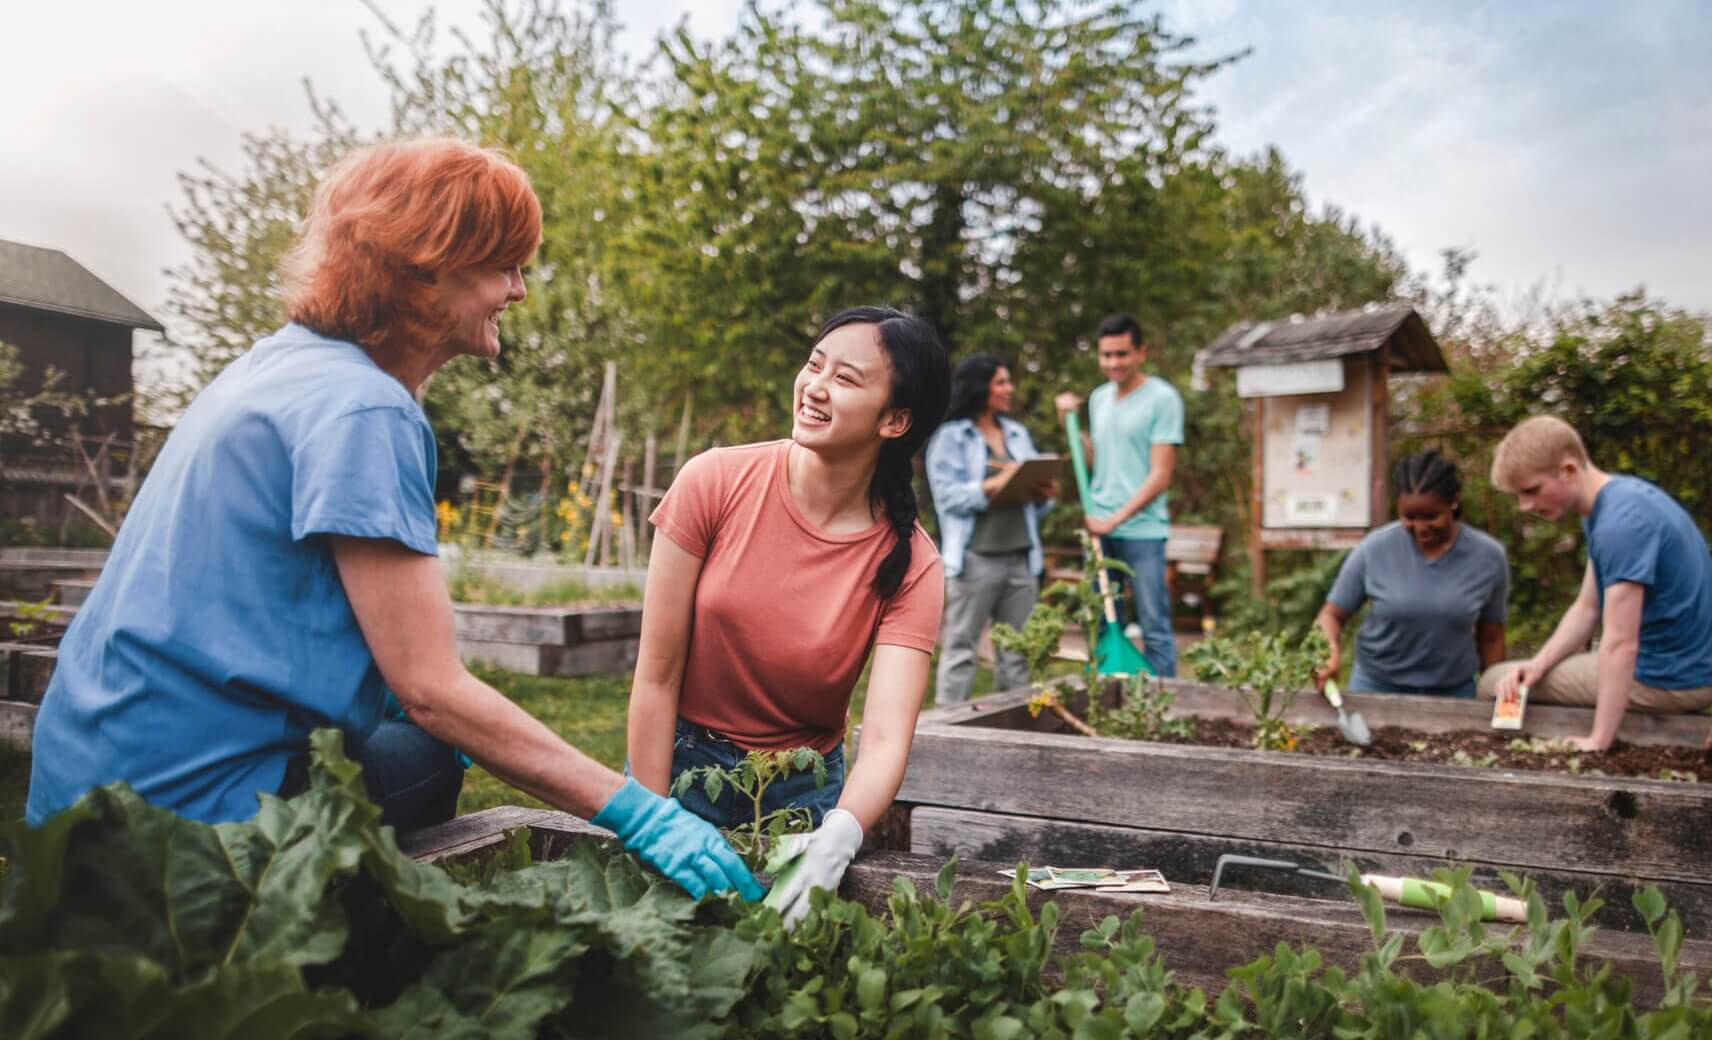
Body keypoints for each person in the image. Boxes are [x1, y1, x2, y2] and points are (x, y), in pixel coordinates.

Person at [25, 139, 759, 903]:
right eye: (503, 265)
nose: (518, 290)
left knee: (410, 741)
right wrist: (642, 814)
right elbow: (432, 689)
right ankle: (321, 940)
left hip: (82, 789)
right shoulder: (365, 409)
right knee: (432, 754)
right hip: (185, 822)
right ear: (426, 264)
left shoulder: (275, 366)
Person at [627, 305, 949, 925]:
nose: (815, 387)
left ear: (895, 419)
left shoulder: (913, 566)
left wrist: (841, 835)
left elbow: (883, 737)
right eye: (814, 364)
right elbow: (656, 674)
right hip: (677, 764)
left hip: (800, 796)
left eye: (847, 379)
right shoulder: (714, 481)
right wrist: (649, 814)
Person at [1478, 415, 1712, 751]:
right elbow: (1587, 607)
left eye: (1532, 490)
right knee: (1519, 675)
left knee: (1494, 682)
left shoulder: (1619, 525)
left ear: (1568, 470)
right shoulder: (1615, 504)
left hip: (1671, 679)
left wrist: (1598, 740)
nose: (1525, 505)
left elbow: (1621, 643)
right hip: (1688, 669)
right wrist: (1537, 665)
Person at [1313, 451, 1509, 698]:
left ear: (1454, 502)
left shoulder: (1488, 557)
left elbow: (1491, 636)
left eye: (1431, 516)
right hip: (1376, 686)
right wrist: (1327, 651)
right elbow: (1331, 615)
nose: (1420, 528)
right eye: (1409, 517)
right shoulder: (1374, 549)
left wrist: (1499, 698)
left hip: (1453, 692)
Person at [1053, 313, 1184, 677]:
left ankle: (1164, 708)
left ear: (1141, 352)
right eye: (1106, 355)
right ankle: (1109, 701)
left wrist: (1115, 519)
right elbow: (1096, 461)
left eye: (1122, 354)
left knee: (1154, 625)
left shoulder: (1163, 398)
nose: (1113, 363)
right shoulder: (1099, 398)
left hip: (1142, 531)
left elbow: (1161, 475)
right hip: (1100, 529)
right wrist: (1072, 427)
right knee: (1102, 621)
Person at [925, 354, 1057, 704]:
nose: (1009, 389)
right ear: (980, 387)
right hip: (975, 560)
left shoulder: (1017, 433)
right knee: (962, 647)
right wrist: (994, 484)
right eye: (1001, 382)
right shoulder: (951, 438)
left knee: (1017, 652)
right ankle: (948, 729)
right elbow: (948, 497)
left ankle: (1013, 730)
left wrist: (1043, 492)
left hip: (1021, 558)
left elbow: (1035, 499)